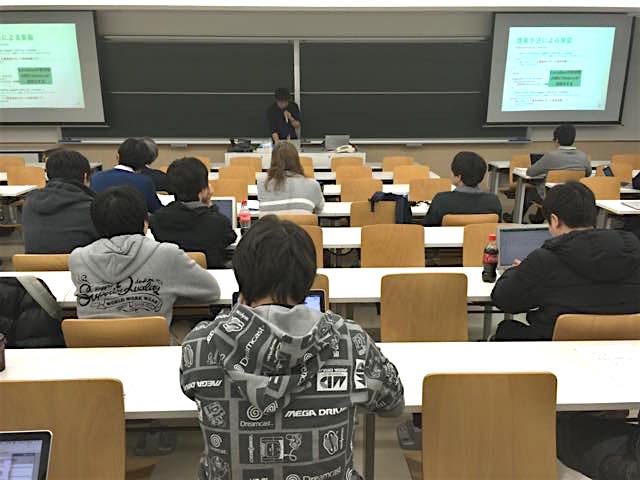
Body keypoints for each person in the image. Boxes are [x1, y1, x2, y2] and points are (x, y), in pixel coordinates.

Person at [180, 215, 404, 480]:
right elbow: (393, 404)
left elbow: (192, 389)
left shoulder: (200, 344)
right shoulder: (349, 341)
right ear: (308, 279)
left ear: (240, 275)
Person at [492, 182, 640, 341]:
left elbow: (504, 300)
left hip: (554, 348)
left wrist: (518, 271)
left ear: (554, 220)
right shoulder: (633, 252)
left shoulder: (545, 260)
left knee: (506, 329)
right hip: (624, 348)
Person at [70, 186, 220, 325]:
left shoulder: (78, 258)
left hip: (91, 343)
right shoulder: (167, 255)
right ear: (145, 222)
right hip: (152, 343)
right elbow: (212, 292)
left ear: (96, 224)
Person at [150, 157, 237, 269]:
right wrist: (210, 205)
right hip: (210, 276)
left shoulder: (157, 220)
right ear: (203, 190)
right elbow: (230, 237)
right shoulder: (219, 222)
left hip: (170, 275)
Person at [22, 149, 99, 253]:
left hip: (32, 263)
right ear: (85, 177)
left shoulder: (29, 202)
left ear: (47, 175)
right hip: (77, 262)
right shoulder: (92, 208)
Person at [511, 123, 591, 223]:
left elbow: (530, 172)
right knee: (543, 190)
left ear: (556, 140)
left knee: (531, 192)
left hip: (552, 197)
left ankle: (515, 219)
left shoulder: (551, 156)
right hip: (573, 197)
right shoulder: (583, 156)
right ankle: (537, 219)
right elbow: (588, 173)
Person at [422, 151, 502, 226]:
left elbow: (427, 228)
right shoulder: (493, 201)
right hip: (480, 237)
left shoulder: (441, 201)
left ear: (459, 177)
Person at [91, 138, 162, 212]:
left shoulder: (96, 178)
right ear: (144, 162)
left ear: (118, 157)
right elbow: (157, 211)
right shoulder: (144, 182)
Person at [257, 141, 324, 215]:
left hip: (271, 222)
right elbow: (319, 210)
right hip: (300, 222)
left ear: (273, 160)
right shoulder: (313, 185)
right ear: (296, 160)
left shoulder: (262, 182)